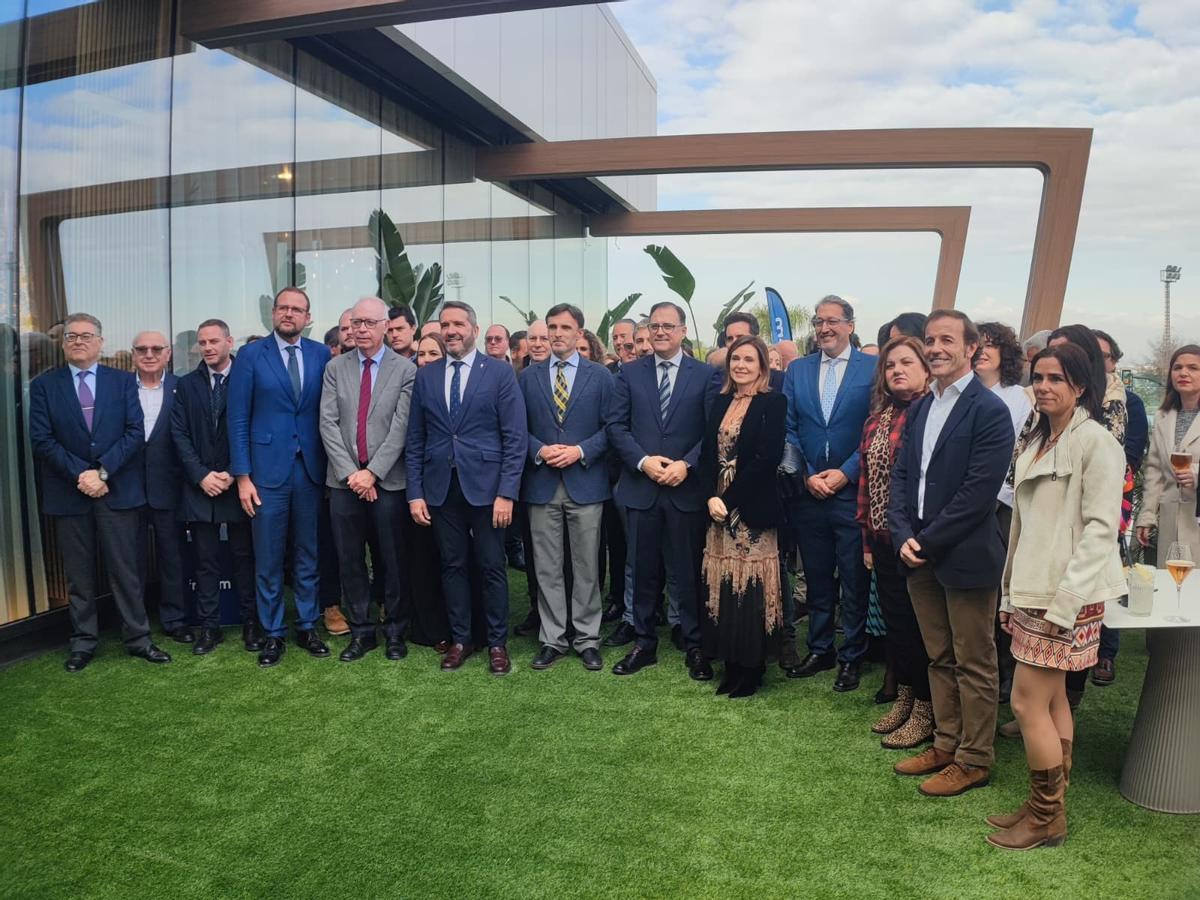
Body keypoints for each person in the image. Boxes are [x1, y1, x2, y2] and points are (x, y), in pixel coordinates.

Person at [989, 344, 1125, 850]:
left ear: (1081, 386)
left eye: (1056, 378)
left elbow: (1101, 530)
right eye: (1038, 377)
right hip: (1033, 589)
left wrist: (1065, 603)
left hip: (1065, 595)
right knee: (1050, 699)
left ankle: (1047, 816)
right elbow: (1022, 529)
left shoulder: (1096, 442)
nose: (1043, 386)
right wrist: (1009, 597)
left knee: (1025, 702)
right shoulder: (1040, 437)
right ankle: (1046, 805)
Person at [888, 309, 1013, 797]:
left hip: (964, 556)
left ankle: (974, 759)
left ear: (971, 347)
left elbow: (977, 494)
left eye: (946, 339)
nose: (936, 348)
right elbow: (902, 477)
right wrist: (902, 533)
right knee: (938, 656)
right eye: (930, 339)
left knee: (974, 661)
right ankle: (946, 744)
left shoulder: (989, 410)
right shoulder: (922, 407)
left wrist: (926, 541)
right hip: (918, 554)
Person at [29, 313, 170, 672]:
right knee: (79, 576)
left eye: (86, 335)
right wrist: (83, 474)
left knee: (126, 572)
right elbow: (42, 440)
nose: (78, 341)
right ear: (63, 344)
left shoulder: (122, 382)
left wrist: (103, 471)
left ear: (100, 342)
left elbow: (134, 432)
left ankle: (139, 639)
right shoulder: (44, 385)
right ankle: (83, 642)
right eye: (71, 336)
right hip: (70, 492)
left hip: (116, 490)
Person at [406, 300, 527, 675]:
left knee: (491, 565)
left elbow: (515, 437)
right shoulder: (426, 376)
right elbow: (416, 438)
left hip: (488, 490)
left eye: (458, 324)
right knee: (452, 564)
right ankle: (461, 639)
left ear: (474, 329)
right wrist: (415, 492)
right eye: (445, 325)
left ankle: (497, 643)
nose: (451, 330)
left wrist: (506, 492)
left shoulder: (499, 373)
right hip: (441, 488)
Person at [607, 301, 718, 679]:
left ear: (683, 331)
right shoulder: (628, 373)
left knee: (687, 572)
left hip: (685, 490)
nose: (660, 332)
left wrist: (687, 464)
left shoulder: (706, 375)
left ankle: (695, 644)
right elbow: (616, 427)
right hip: (641, 487)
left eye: (668, 326)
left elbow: (712, 431)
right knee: (642, 571)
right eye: (654, 326)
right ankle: (643, 643)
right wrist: (643, 462)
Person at [227, 286, 332, 668]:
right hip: (265, 473)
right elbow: (237, 418)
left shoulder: (321, 354)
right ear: (273, 314)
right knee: (268, 558)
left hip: (310, 470)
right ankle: (272, 632)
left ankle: (307, 626)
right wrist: (242, 476)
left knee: (308, 554)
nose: (289, 314)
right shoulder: (251, 356)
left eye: (296, 309)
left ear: (308, 318)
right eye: (283, 308)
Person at [779, 295, 876, 691]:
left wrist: (846, 472)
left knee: (853, 581)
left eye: (832, 321)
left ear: (850, 325)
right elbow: (788, 428)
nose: (824, 328)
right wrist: (808, 475)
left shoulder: (872, 369)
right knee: (817, 578)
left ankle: (852, 655)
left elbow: (875, 427)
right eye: (819, 321)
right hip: (810, 494)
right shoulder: (798, 370)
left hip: (851, 494)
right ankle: (820, 649)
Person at [320, 297, 417, 662]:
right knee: (350, 560)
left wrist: (372, 472)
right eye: (355, 323)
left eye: (368, 323)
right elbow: (327, 423)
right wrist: (352, 474)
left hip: (388, 481)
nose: (361, 329)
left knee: (393, 559)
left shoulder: (405, 369)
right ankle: (361, 632)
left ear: (384, 326)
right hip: (344, 482)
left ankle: (395, 631)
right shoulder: (335, 368)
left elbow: (401, 428)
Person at [520, 303, 613, 671]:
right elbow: (515, 428)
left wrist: (580, 451)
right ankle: (552, 639)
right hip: (541, 482)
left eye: (564, 327)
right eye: (552, 327)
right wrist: (539, 450)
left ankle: (587, 638)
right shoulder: (527, 377)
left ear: (579, 333)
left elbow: (612, 428)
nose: (557, 333)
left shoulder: (601, 376)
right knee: (546, 567)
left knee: (587, 566)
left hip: (586, 481)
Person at [857, 336, 934, 748]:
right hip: (882, 539)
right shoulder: (877, 420)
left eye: (907, 362)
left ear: (926, 368)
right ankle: (905, 698)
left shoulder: (933, 414)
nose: (897, 370)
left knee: (921, 629)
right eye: (890, 365)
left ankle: (925, 708)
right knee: (897, 626)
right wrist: (868, 540)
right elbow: (866, 483)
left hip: (919, 542)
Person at [698, 336, 786, 698]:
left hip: (751, 506)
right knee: (723, 581)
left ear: (762, 365)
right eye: (736, 359)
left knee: (750, 585)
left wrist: (728, 499)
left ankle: (752, 667)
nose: (741, 365)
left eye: (749, 359)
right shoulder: (721, 401)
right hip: (717, 508)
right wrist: (710, 496)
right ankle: (731, 664)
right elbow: (707, 454)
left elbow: (767, 458)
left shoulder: (773, 402)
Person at [171, 318, 260, 655]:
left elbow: (254, 427)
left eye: (214, 341)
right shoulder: (186, 385)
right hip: (200, 487)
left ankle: (251, 623)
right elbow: (178, 434)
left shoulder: (248, 378)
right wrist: (201, 475)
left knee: (244, 557)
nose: (207, 348)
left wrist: (234, 472)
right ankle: (210, 628)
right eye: (202, 342)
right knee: (205, 561)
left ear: (229, 342)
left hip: (239, 484)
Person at [974, 321, 1032, 703]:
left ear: (1005, 354)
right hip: (965, 507)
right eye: (977, 344)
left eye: (991, 345)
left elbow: (1017, 456)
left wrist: (993, 497)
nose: (982, 351)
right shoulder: (960, 393)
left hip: (1001, 506)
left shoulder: (1017, 399)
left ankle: (1005, 674)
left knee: (1000, 593)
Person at [1090, 329, 1147, 686]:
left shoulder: (1131, 402)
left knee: (1108, 571)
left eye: (1105, 356)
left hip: (1112, 497)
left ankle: (1106, 652)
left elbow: (1132, 455)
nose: (1099, 363)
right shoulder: (1076, 395)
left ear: (1114, 361)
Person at [128, 330, 190, 644]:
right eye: (142, 349)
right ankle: (133, 622)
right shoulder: (120, 389)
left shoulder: (182, 388)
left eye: (156, 349)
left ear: (168, 354)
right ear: (133, 355)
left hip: (170, 488)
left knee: (172, 557)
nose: (149, 354)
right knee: (131, 562)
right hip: (126, 489)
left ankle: (175, 619)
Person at [407, 333, 452, 650]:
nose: (424, 360)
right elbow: (413, 441)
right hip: (419, 485)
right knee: (421, 561)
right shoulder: (414, 386)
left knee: (451, 560)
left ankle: (457, 625)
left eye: (433, 353)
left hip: (450, 487)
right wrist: (415, 491)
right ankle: (430, 629)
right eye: (420, 354)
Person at [1137, 344, 1200, 559]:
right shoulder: (1163, 416)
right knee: (1171, 577)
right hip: (1170, 520)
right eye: (1177, 367)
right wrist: (1147, 516)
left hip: (1196, 516)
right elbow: (1154, 471)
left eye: (1193, 368)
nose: (1183, 373)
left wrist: (1196, 473)